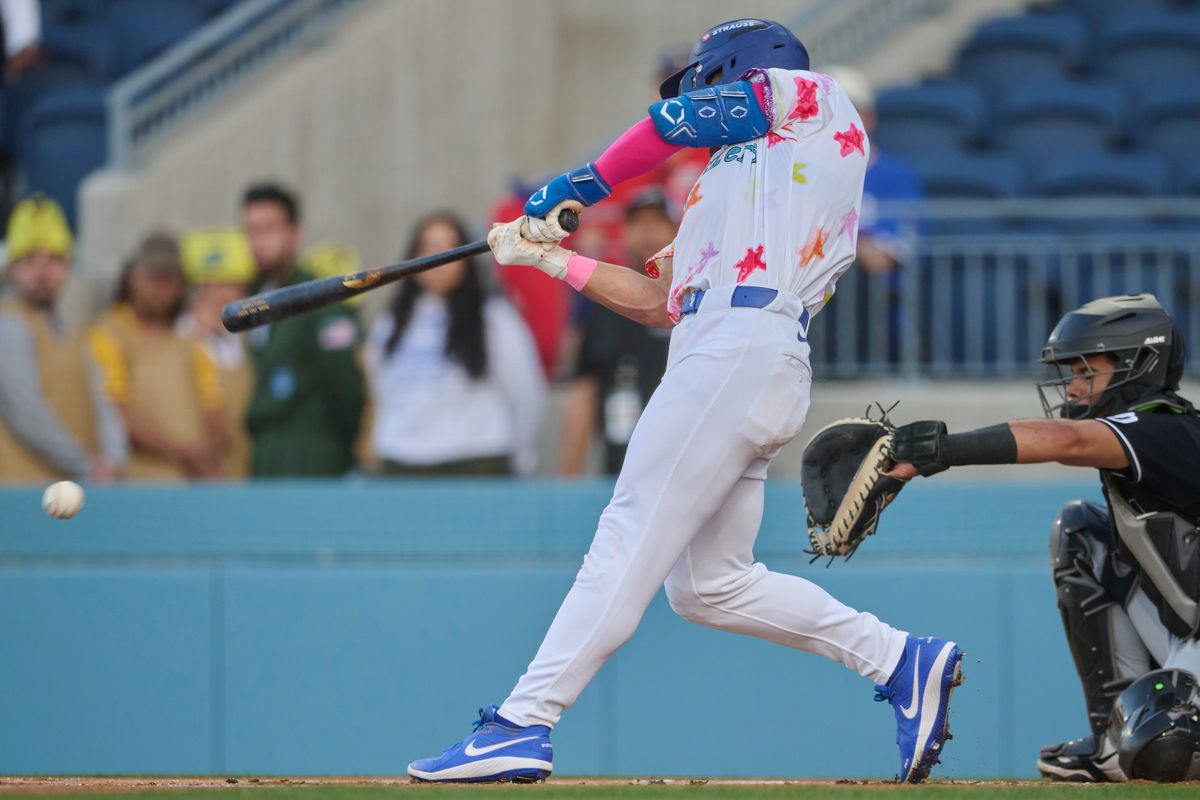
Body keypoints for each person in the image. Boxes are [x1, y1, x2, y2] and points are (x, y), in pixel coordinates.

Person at [408, 18, 962, 784]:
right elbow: (660, 302)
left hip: (744, 346)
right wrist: (550, 259)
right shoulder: (737, 179)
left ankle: (521, 722)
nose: (696, 92)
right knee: (710, 586)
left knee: (629, 530)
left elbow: (674, 120)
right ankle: (900, 659)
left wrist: (581, 183)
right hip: (723, 352)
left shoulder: (814, 99)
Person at [885, 293, 1200, 783]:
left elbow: (1067, 441)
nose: (1072, 387)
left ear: (1140, 365)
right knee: (1081, 531)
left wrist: (938, 450)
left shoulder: (1166, 428)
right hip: (1188, 634)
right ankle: (1107, 746)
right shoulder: (1148, 434)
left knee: (1167, 740)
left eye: (1085, 371)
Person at [364, 212, 545, 476]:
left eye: (448, 249)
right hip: (403, 462)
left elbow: (525, 389)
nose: (437, 260)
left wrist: (523, 455)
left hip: (475, 461)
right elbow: (380, 389)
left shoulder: (493, 317)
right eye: (427, 247)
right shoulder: (391, 323)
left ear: (465, 260)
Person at [240, 183, 364, 477]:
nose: (258, 241)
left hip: (312, 460)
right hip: (265, 459)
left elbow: (347, 391)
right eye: (251, 231)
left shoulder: (321, 300)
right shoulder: (253, 299)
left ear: (295, 232)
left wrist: (333, 448)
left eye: (269, 229)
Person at [0, 196, 125, 483]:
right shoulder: (8, 324)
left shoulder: (72, 331)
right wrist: (87, 466)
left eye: (54, 259)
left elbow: (102, 400)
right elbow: (25, 412)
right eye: (29, 260)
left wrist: (114, 459)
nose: (42, 272)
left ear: (68, 265)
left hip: (70, 494)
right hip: (24, 495)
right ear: (12, 268)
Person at [88, 234, 227, 481]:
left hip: (191, 484)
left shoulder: (190, 339)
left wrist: (207, 450)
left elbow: (213, 406)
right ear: (131, 277)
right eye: (152, 276)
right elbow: (115, 412)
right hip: (137, 483)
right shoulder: (109, 333)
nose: (160, 287)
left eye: (169, 277)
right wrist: (183, 451)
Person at [559, 189, 675, 476]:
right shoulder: (604, 302)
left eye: (657, 223)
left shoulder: (699, 296)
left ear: (677, 231)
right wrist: (569, 473)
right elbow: (583, 387)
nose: (648, 233)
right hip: (623, 466)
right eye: (638, 224)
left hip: (688, 463)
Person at [177, 228, 257, 478]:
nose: (230, 293)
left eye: (236, 285)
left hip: (241, 472)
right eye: (220, 284)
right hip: (195, 476)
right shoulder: (181, 338)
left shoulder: (243, 342)